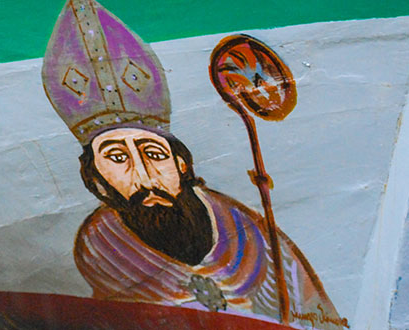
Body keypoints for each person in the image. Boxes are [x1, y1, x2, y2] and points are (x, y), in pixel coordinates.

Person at [40, 0, 345, 328]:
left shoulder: (248, 234)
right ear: (97, 182)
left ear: (182, 165)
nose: (144, 177)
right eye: (117, 158)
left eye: (154, 155)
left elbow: (312, 311)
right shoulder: (101, 246)